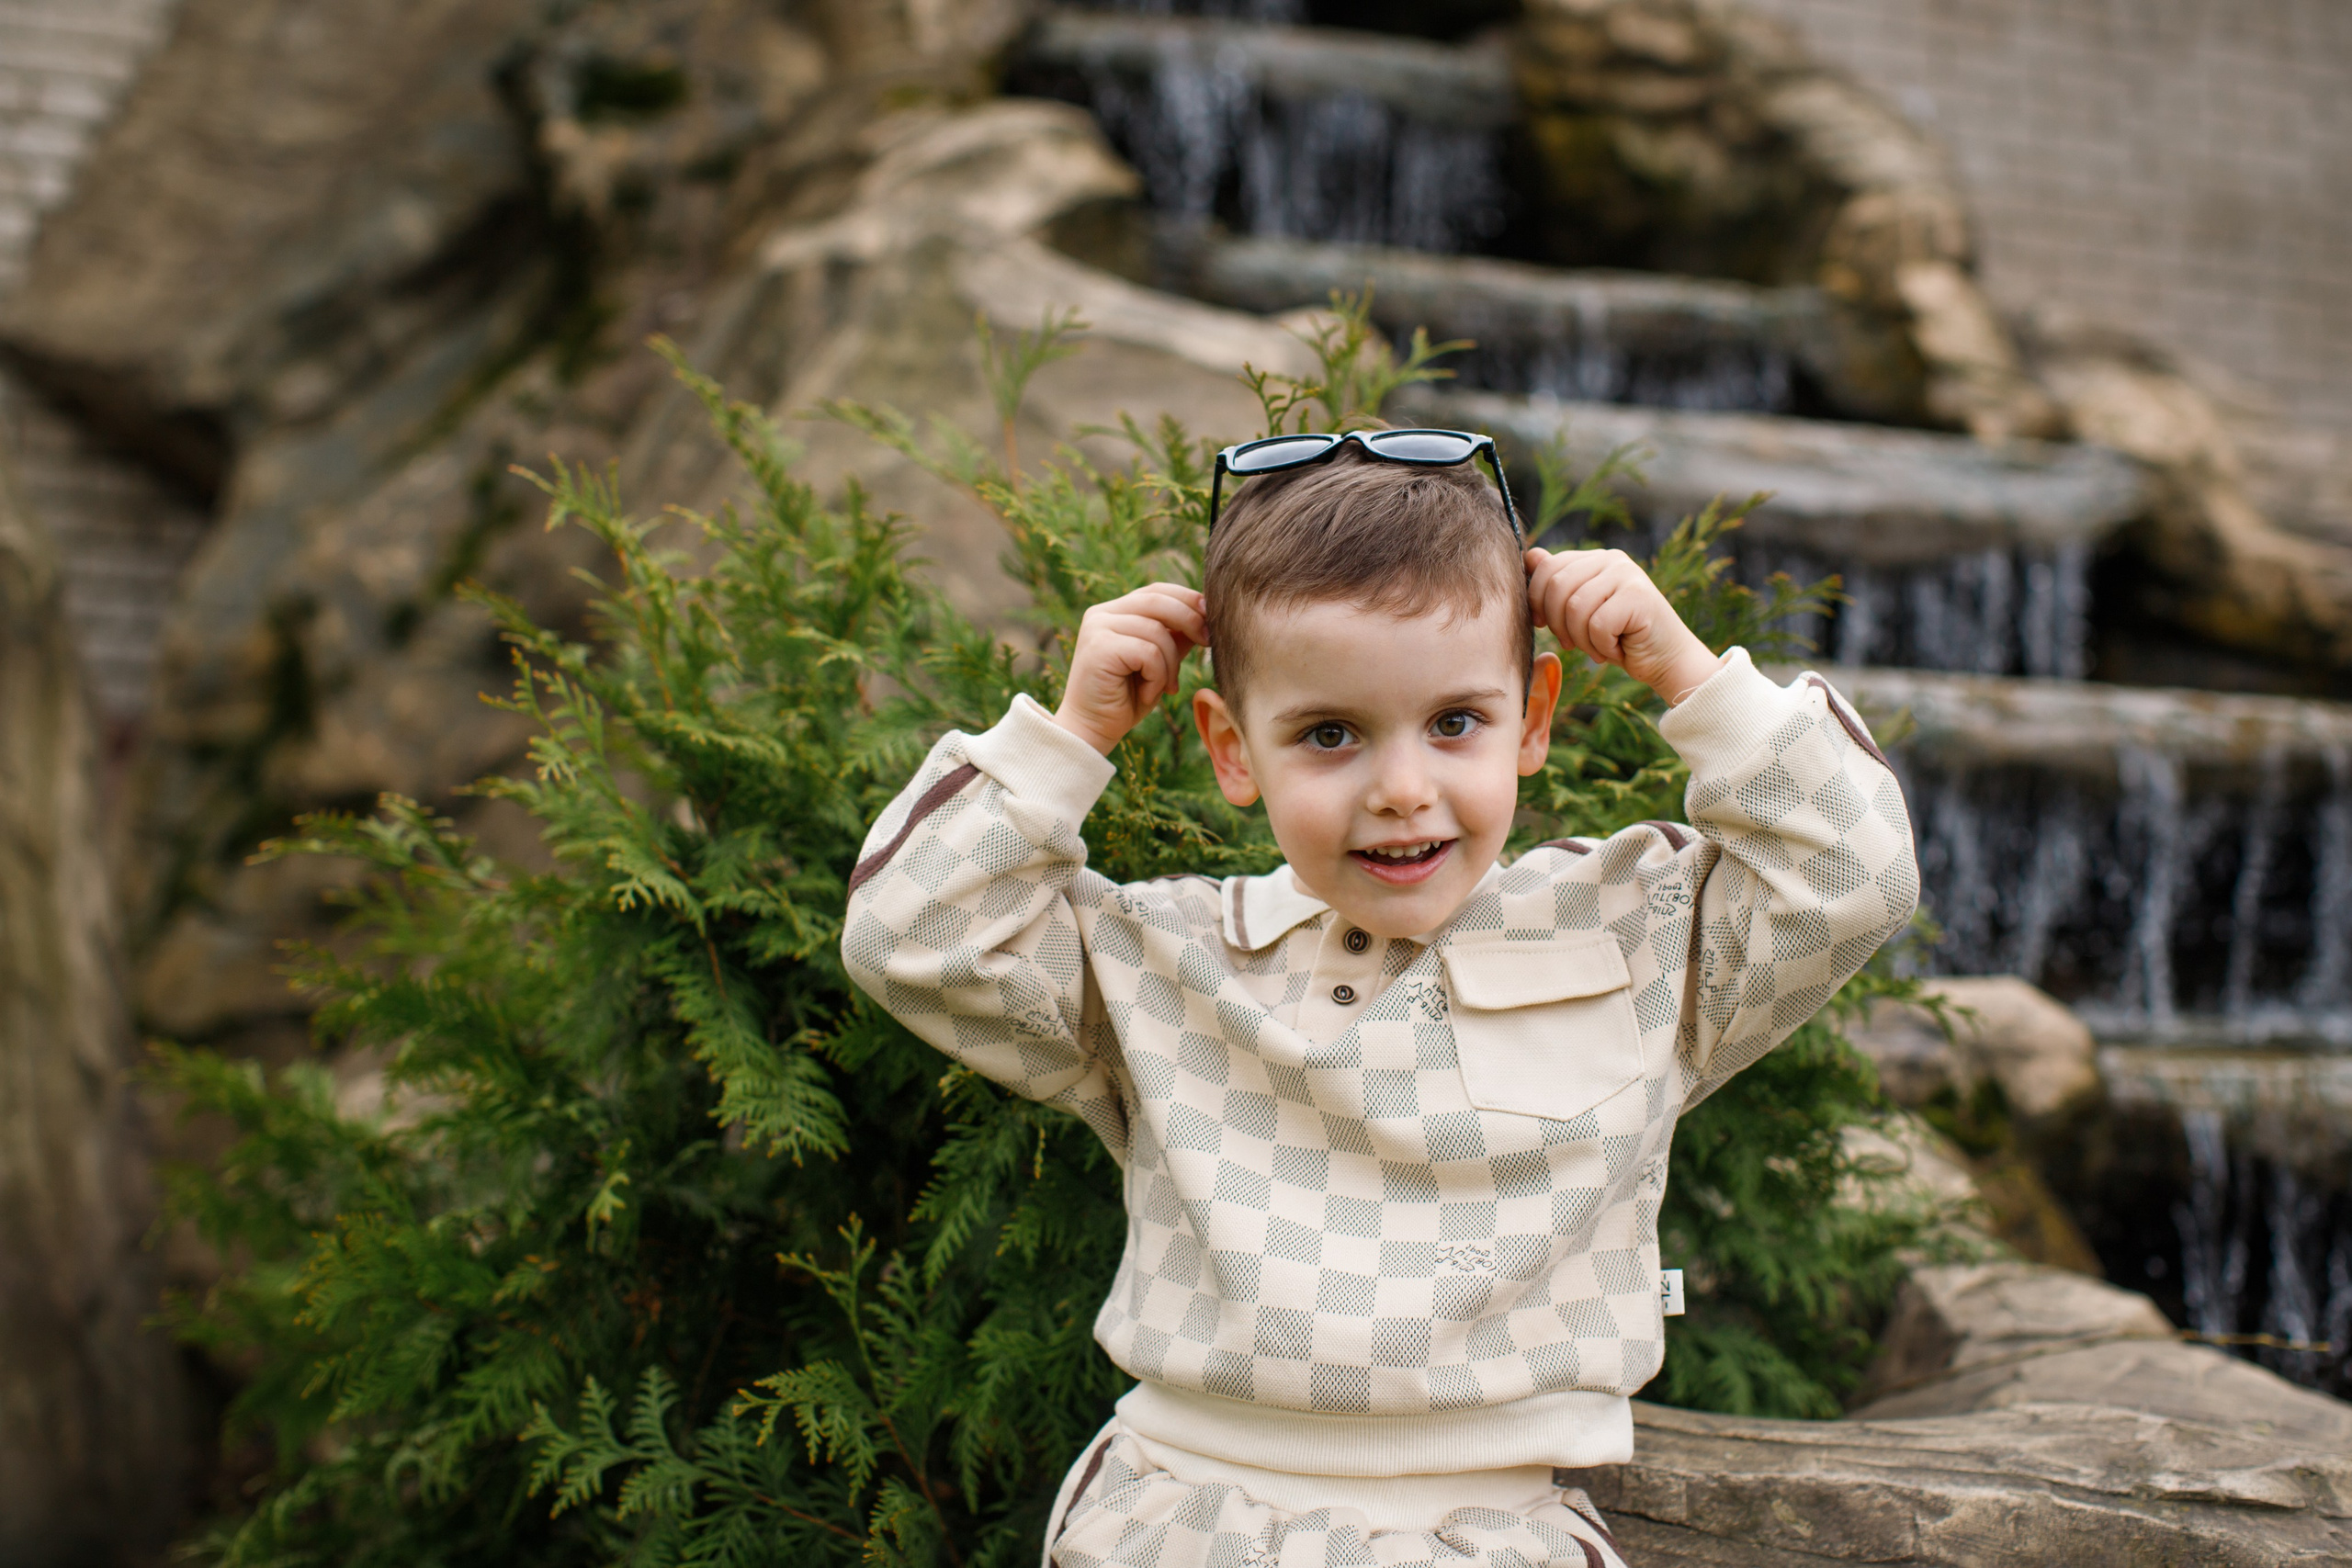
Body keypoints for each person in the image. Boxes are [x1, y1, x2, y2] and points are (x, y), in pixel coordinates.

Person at [841, 432, 1917, 1567]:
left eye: (1456, 722)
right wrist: (1070, 736)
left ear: (1533, 718)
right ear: (1231, 748)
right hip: (1182, 1516)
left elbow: (1852, 877)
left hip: (1491, 1530)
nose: (1403, 791)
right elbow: (912, 938)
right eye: (1328, 734)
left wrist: (1689, 673)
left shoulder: (1634, 934)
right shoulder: (1161, 961)